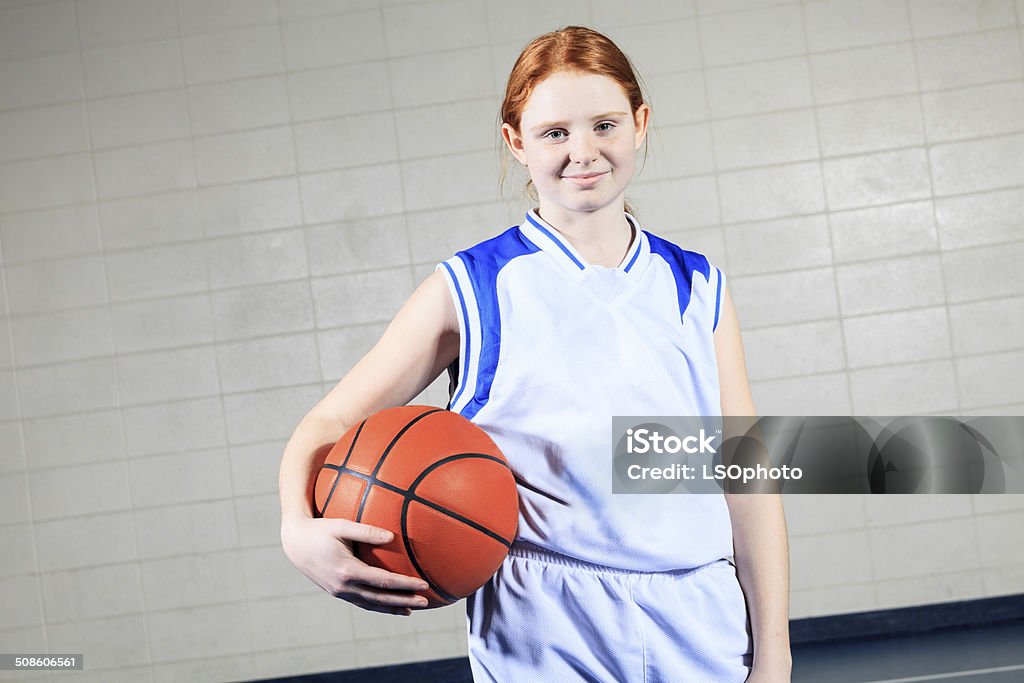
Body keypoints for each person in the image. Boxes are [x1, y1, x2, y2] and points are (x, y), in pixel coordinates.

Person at [280, 25, 791, 683]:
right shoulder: (472, 286)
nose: (583, 150)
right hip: (545, 625)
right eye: (555, 132)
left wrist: (773, 653)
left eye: (604, 124)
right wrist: (297, 526)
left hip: (698, 618)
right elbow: (326, 424)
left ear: (639, 123)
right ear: (516, 141)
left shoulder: (698, 286)